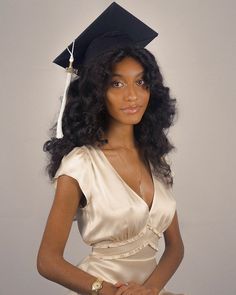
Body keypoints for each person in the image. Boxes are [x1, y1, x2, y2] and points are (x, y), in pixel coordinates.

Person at [37, 2, 185, 295]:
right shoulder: (80, 165)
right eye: (116, 84)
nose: (133, 95)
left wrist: (150, 289)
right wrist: (110, 291)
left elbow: (175, 247)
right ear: (95, 93)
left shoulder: (153, 156)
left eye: (141, 82)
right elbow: (47, 261)